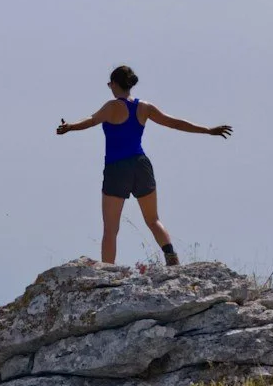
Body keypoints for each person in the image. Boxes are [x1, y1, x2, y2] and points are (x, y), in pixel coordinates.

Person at [56, 65, 232, 266]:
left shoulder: (112, 107)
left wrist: (70, 127)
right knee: (153, 219)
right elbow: (174, 122)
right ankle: (170, 255)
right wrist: (208, 130)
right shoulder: (144, 107)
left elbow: (91, 120)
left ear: (114, 83)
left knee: (111, 228)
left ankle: (107, 272)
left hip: (117, 167)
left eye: (109, 84)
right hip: (141, 165)